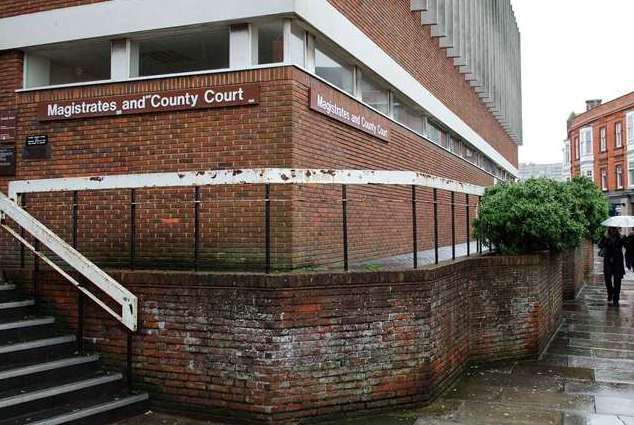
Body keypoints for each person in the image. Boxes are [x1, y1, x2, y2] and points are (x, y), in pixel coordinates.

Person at [598, 227, 625, 306]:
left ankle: (616, 298)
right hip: (608, 261)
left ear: (617, 230)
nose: (613, 230)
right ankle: (610, 292)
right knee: (608, 280)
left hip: (618, 262)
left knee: (617, 281)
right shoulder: (606, 237)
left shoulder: (621, 237)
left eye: (614, 229)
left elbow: (628, 245)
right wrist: (605, 238)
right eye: (611, 229)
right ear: (609, 229)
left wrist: (629, 238)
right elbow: (600, 245)